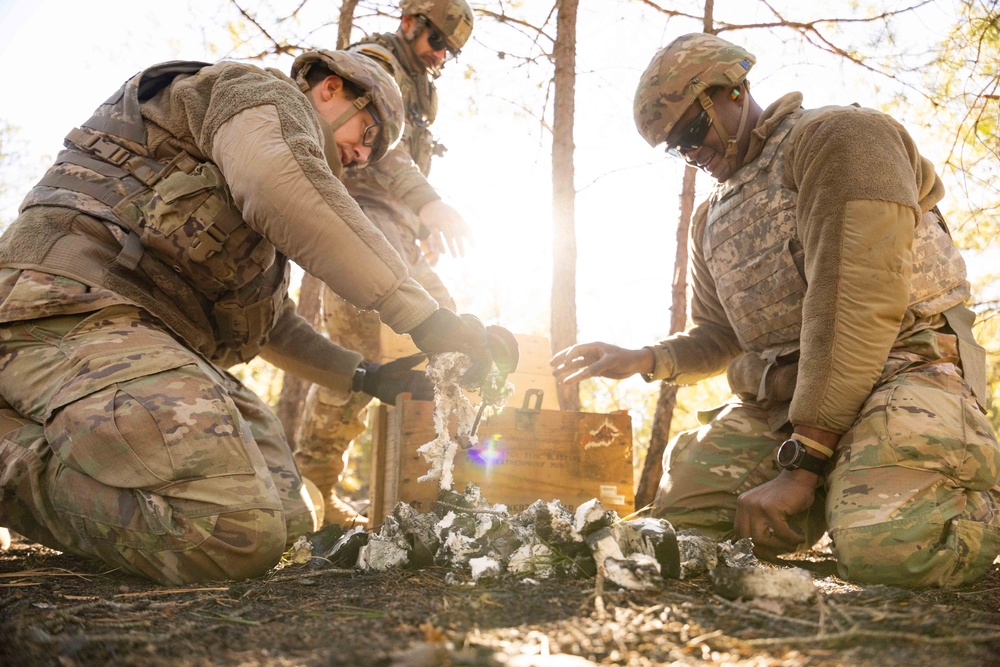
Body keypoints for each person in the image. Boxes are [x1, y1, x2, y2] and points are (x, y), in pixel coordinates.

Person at [0, 49, 504, 585]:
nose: (363, 152)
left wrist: (367, 376)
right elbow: (276, 181)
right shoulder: (252, 95)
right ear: (330, 88)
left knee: (290, 520)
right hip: (62, 306)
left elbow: (272, 326)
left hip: (139, 335)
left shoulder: (261, 229)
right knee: (232, 528)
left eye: (374, 150)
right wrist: (426, 319)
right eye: (369, 128)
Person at [551, 33, 1000, 588]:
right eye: (677, 147)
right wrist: (644, 358)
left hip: (903, 370)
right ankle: (848, 486)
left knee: (894, 555)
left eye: (692, 131)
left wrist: (803, 466)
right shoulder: (710, 219)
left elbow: (856, 306)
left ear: (733, 90)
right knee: (680, 531)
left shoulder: (840, 139)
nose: (692, 154)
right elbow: (720, 336)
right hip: (786, 402)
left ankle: (949, 495)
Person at [294, 0, 477, 526]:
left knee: (449, 336)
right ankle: (315, 491)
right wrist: (428, 202)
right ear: (408, 24)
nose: (442, 56)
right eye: (437, 41)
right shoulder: (375, 64)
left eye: (452, 51)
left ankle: (439, 485)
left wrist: (422, 225)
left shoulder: (425, 90)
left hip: (396, 232)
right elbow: (380, 149)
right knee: (356, 359)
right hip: (356, 222)